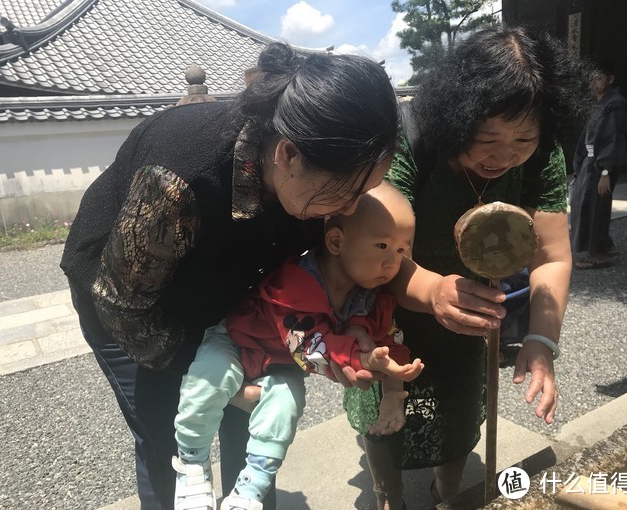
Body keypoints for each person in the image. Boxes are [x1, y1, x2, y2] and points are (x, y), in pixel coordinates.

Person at [59, 42, 403, 510]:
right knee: (170, 430)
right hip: (133, 304)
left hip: (232, 295)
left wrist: (346, 336)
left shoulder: (318, 180)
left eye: (364, 191)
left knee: (248, 420)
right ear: (287, 154)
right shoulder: (179, 175)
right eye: (344, 193)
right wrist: (216, 382)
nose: (349, 209)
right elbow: (126, 308)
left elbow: (321, 277)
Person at [343, 24, 591, 509]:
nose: (504, 156)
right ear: (456, 117)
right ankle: (387, 497)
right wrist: (432, 288)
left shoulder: (541, 156)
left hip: (471, 306)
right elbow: (368, 251)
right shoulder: (412, 141)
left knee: (459, 410)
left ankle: (449, 494)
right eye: (487, 138)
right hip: (387, 294)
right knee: (381, 409)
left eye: (522, 138)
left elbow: (553, 255)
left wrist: (541, 341)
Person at [173, 182, 423, 510]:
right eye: (382, 246)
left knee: (285, 407)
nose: (394, 262)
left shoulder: (371, 296)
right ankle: (191, 464)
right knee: (208, 381)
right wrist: (359, 357)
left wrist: (392, 387)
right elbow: (305, 343)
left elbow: (388, 342)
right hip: (236, 341)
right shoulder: (296, 280)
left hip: (281, 365)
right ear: (336, 241)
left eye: (403, 250)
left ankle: (249, 490)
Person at [570, 60, 627, 269]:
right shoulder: (600, 102)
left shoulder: (615, 103)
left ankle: (597, 253)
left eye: (599, 78)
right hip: (591, 162)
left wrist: (605, 170)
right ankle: (603, 244)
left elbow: (613, 136)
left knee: (596, 206)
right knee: (581, 204)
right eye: (592, 78)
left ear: (610, 79)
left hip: (601, 165)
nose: (594, 82)